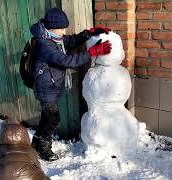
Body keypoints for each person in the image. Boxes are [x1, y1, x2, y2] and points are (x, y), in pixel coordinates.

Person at [29, 7, 112, 161]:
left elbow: (71, 40)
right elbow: (67, 61)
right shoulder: (44, 44)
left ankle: (36, 142)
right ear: (52, 28)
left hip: (50, 85)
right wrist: (93, 52)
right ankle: (44, 149)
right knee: (53, 119)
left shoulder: (53, 37)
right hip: (45, 88)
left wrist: (89, 32)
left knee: (46, 118)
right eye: (62, 28)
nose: (64, 32)